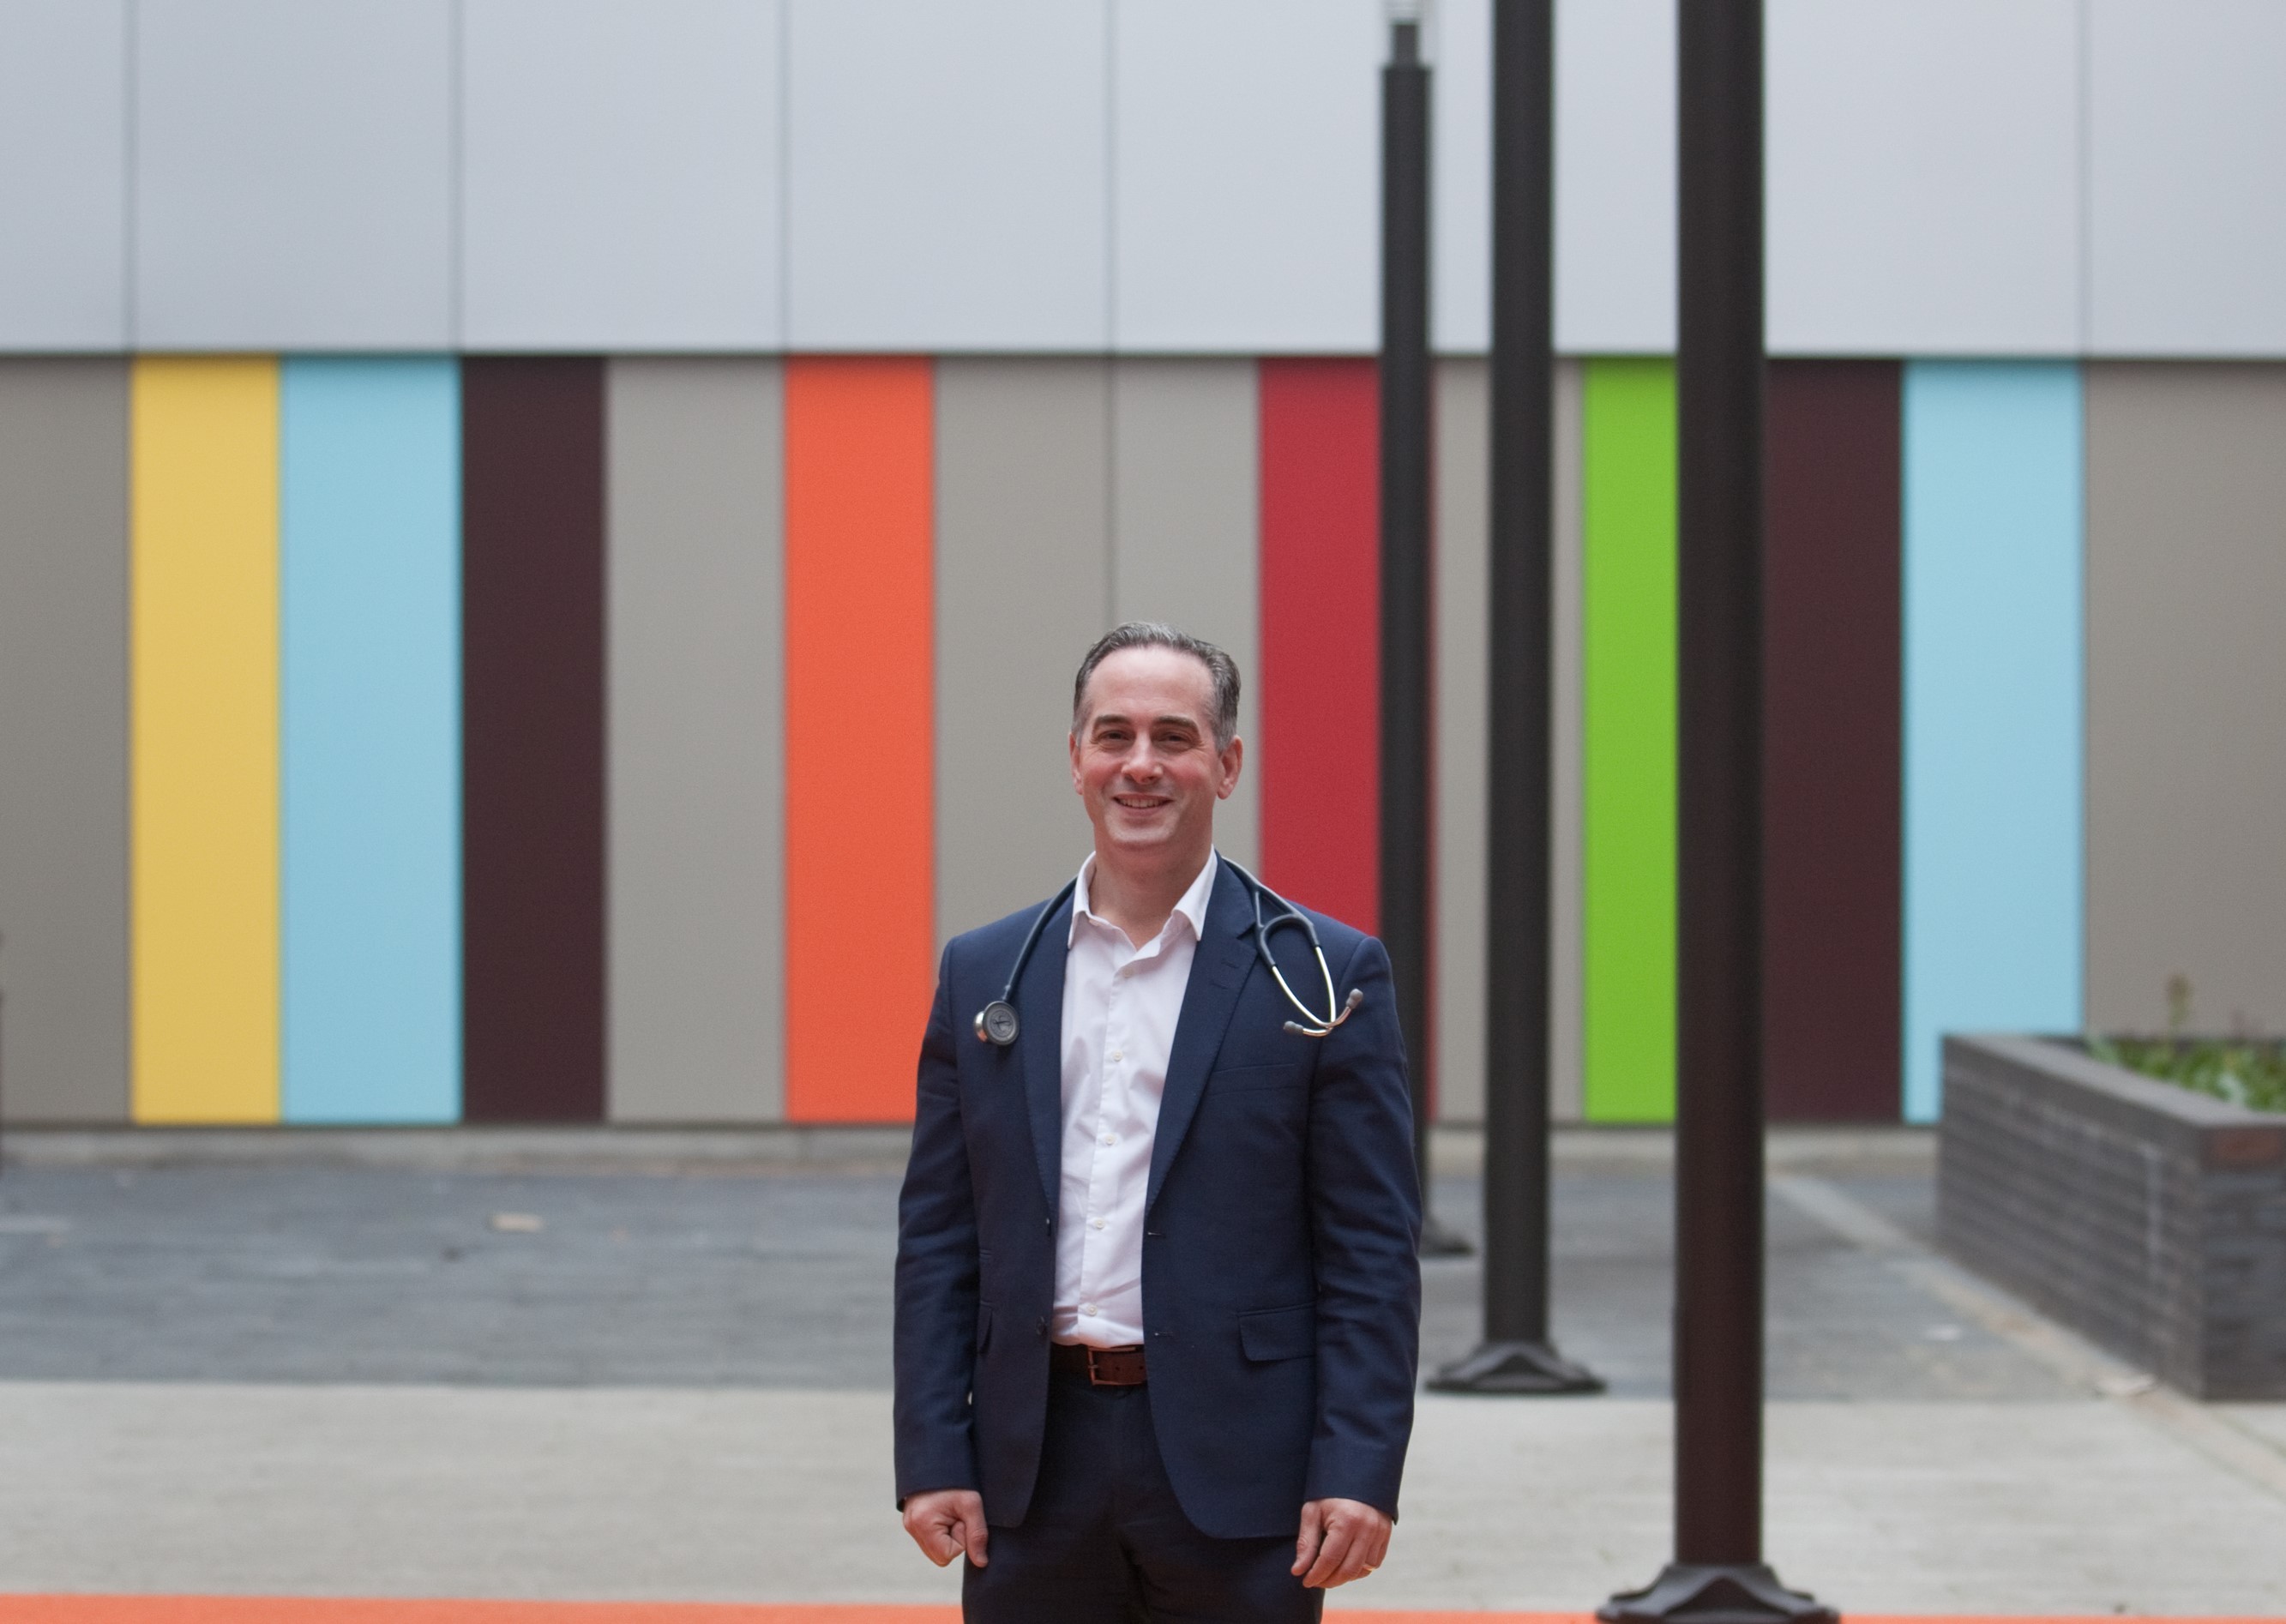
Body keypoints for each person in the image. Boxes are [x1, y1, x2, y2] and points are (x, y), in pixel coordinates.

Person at [893, 622, 1423, 1622]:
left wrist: (1356, 1466)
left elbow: (1369, 1254)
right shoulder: (983, 970)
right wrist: (930, 1453)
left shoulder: (1324, 974)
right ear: (1075, 759)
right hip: (1029, 1471)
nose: (1141, 765)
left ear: (1225, 765)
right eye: (1114, 735)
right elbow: (938, 1238)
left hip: (1243, 1475)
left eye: (1173, 738)